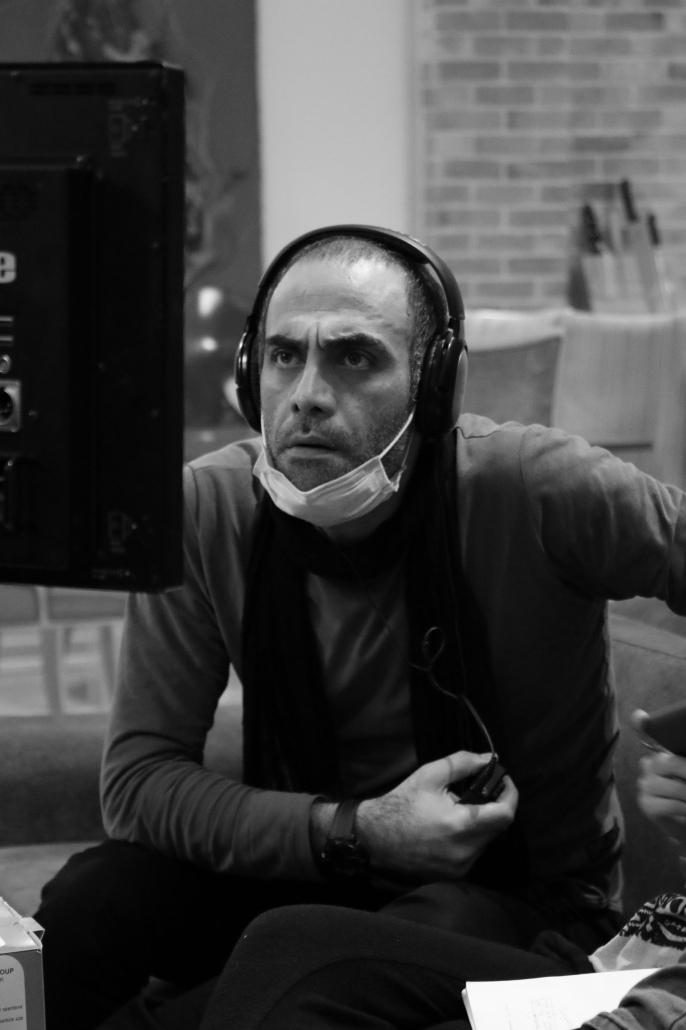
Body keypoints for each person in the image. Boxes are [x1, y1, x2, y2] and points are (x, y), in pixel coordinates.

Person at [34, 225, 686, 1030]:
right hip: (319, 870)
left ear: (434, 386)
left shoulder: (537, 488)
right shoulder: (206, 510)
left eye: (354, 358)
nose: (306, 393)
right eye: (284, 356)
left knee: (293, 957)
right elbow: (138, 785)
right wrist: (360, 833)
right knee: (93, 899)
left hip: (525, 903)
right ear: (250, 374)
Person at [192, 749, 686, 1030]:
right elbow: (147, 773)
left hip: (643, 992)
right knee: (287, 943)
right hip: (626, 966)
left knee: (299, 951)